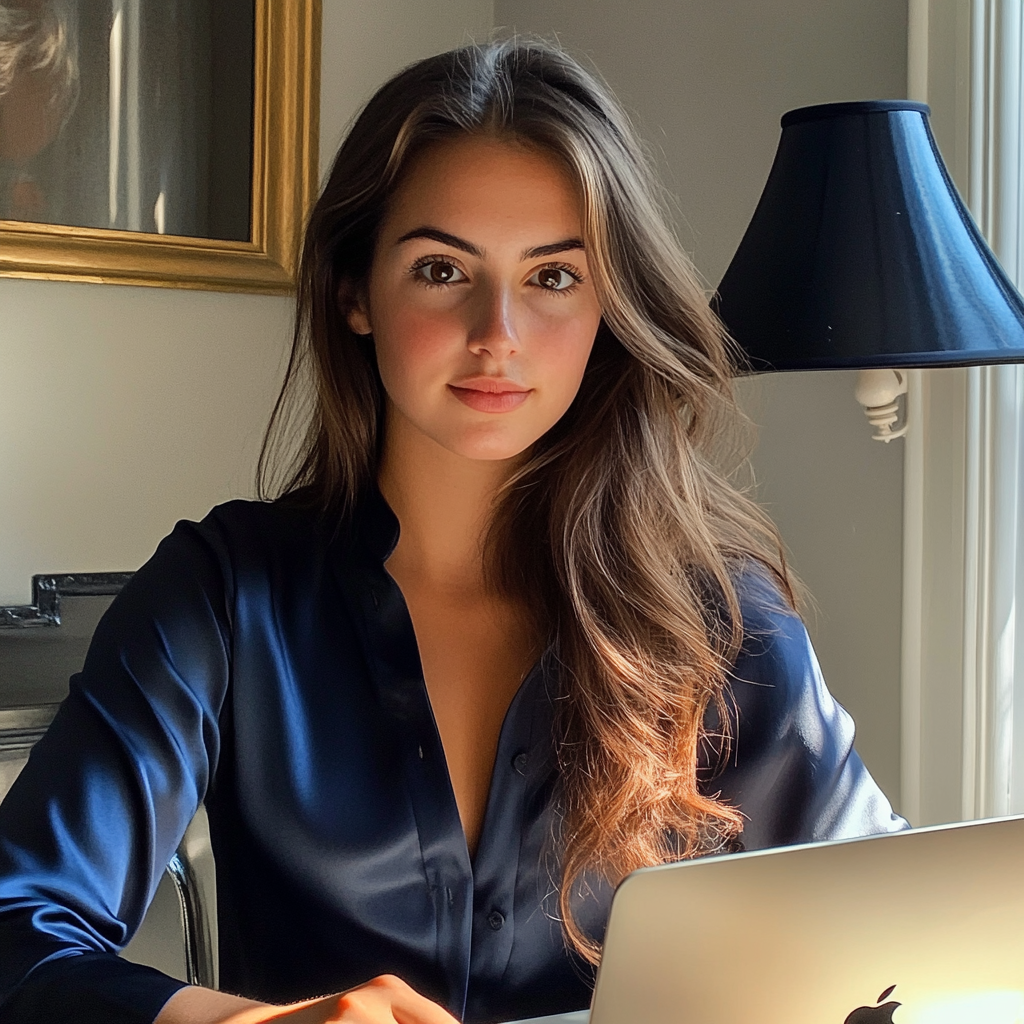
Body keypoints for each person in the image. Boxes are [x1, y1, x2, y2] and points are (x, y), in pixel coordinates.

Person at [0, 38, 907, 1024]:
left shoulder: (725, 621)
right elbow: (18, 924)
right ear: (354, 292)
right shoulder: (222, 594)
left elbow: (898, 943)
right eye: (442, 268)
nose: (498, 333)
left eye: (554, 277)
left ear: (609, 303)